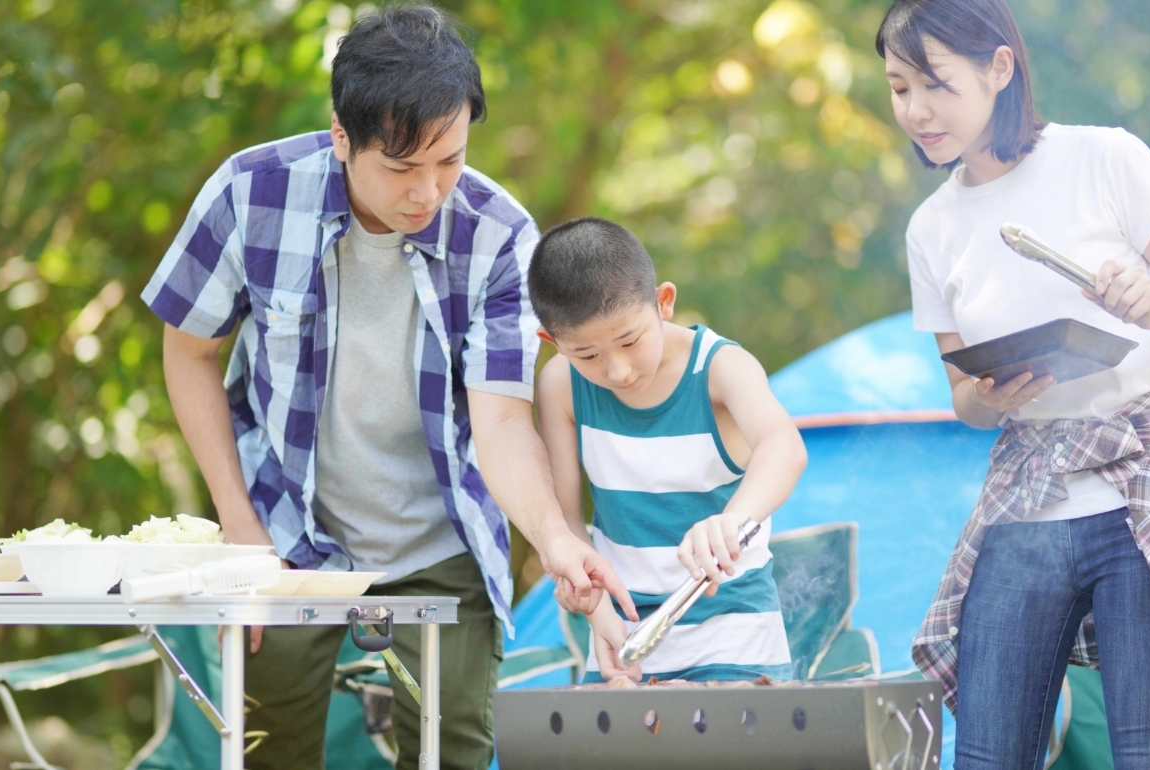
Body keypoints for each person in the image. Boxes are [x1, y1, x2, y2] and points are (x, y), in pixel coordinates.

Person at [140, 6, 635, 769]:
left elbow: (501, 423)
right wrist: (240, 524)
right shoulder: (252, 194)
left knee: (456, 750)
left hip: (443, 539)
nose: (428, 192)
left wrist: (558, 539)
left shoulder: (499, 236)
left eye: (450, 161)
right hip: (285, 533)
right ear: (342, 135)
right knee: (269, 749)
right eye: (402, 168)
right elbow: (188, 354)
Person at [877, 0, 1150, 767]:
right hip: (1029, 492)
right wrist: (987, 399)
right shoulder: (932, 227)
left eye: (935, 84)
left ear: (1000, 68)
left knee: (1149, 755)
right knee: (987, 755)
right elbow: (964, 400)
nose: (916, 110)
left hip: (1144, 484)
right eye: (898, 88)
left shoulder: (1105, 158)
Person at [530, 217, 807, 683]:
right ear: (553, 344)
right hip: (625, 633)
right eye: (587, 355)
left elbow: (784, 446)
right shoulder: (560, 386)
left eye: (629, 341)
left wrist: (731, 521)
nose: (617, 370)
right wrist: (597, 612)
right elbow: (566, 519)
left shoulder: (720, 367)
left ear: (664, 304)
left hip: (734, 630)